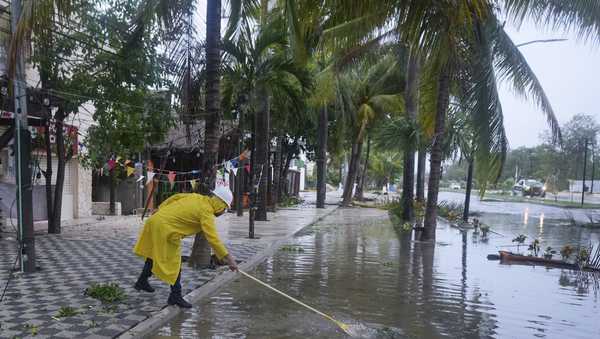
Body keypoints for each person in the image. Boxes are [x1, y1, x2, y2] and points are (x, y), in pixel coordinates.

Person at [133, 186, 238, 308]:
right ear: (220, 204)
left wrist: (160, 208)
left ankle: (142, 281)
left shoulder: (197, 197)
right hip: (166, 229)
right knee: (175, 262)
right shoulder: (207, 212)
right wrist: (229, 259)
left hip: (155, 221)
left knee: (155, 253)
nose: (223, 211)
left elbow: (175, 197)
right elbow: (213, 239)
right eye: (225, 208)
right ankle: (175, 296)